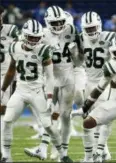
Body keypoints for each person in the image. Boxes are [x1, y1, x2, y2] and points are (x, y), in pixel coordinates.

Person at [0, 19, 72, 163]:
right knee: (7, 120)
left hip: (37, 91)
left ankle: (63, 154)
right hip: (20, 91)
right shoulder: (14, 47)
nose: (33, 40)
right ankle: (6, 156)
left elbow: (50, 77)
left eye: (36, 37)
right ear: (24, 35)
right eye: (31, 37)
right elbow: (11, 71)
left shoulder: (44, 50)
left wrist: (50, 97)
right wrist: (3, 90)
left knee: (48, 126)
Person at [23, 6, 77, 161]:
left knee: (65, 116)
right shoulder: (43, 34)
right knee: (48, 114)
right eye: (55, 22)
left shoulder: (72, 31)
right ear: (47, 22)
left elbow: (80, 55)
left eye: (61, 21)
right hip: (50, 78)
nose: (59, 25)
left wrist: (76, 56)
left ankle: (62, 152)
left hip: (68, 78)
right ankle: (44, 148)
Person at [69, 11, 116, 162]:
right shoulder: (81, 39)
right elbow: (78, 63)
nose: (90, 31)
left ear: (99, 26)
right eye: (87, 29)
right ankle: (100, 153)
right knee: (89, 118)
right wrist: (74, 54)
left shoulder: (110, 38)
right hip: (88, 80)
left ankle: (99, 151)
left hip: (104, 81)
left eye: (93, 28)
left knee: (101, 118)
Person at [0, 5, 19, 159]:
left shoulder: (11, 30)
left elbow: (20, 50)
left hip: (5, 75)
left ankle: (4, 151)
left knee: (3, 110)